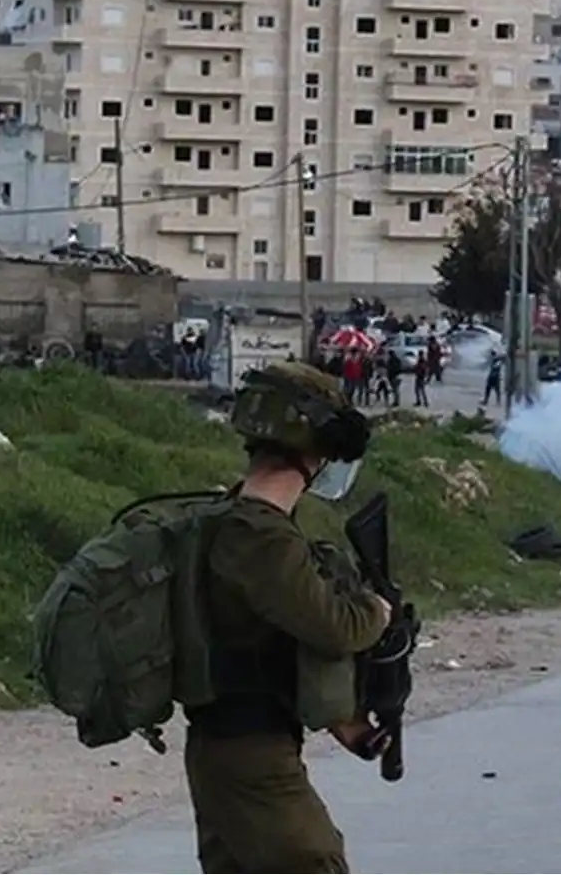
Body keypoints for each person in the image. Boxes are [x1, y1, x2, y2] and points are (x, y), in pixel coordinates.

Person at [186, 361, 392, 873]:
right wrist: (377, 611)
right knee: (313, 863)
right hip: (249, 756)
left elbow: (269, 648)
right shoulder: (262, 538)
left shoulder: (236, 520)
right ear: (314, 451)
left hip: (234, 746)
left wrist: (344, 720)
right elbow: (336, 627)